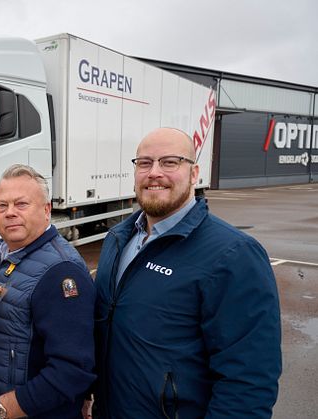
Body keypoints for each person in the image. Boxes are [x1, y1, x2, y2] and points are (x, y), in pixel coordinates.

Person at [91, 127, 282, 418]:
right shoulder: (118, 239)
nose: (154, 172)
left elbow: (249, 380)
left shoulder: (233, 255)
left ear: (194, 174)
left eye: (169, 162)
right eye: (144, 163)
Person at [0, 164, 96, 419]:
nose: (10, 213)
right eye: (2, 206)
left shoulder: (61, 273)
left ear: (46, 210)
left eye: (21, 204)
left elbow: (70, 372)